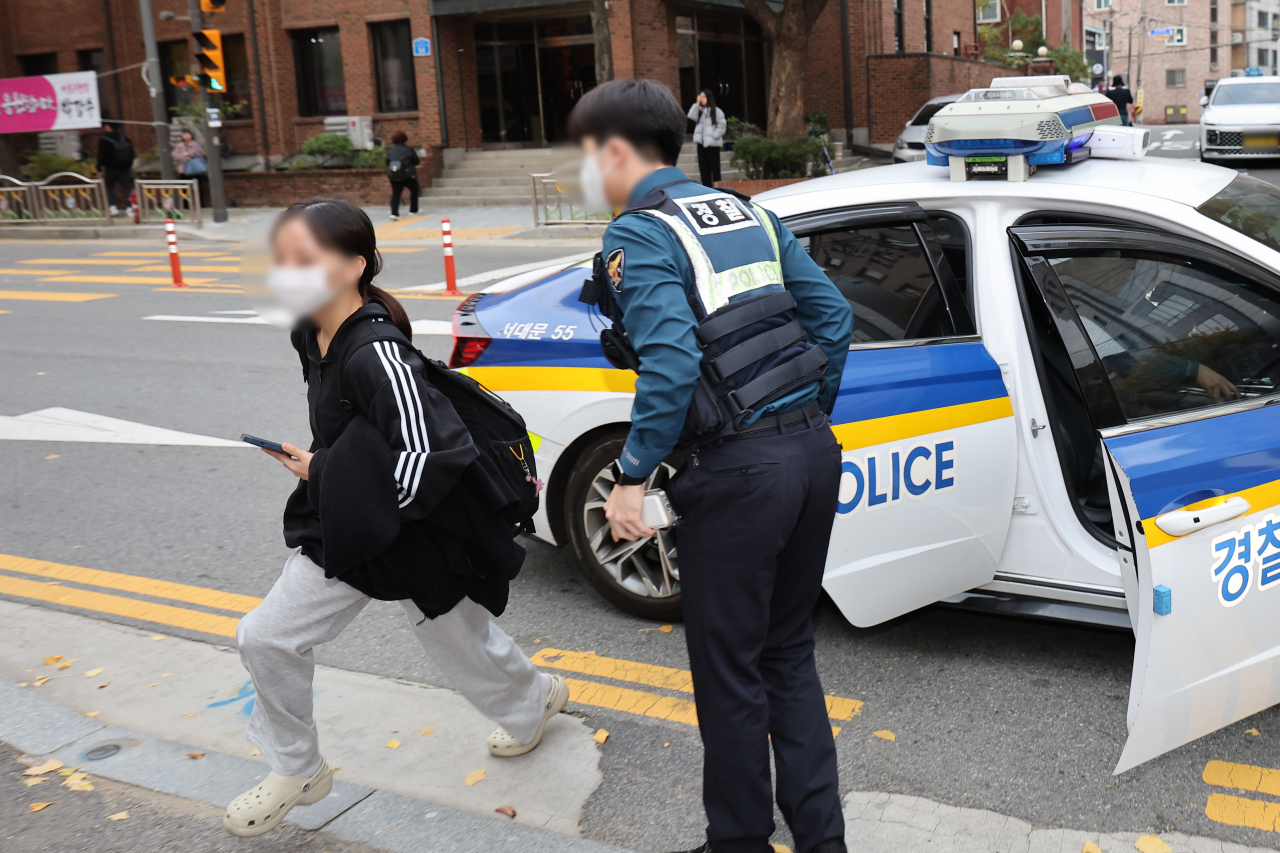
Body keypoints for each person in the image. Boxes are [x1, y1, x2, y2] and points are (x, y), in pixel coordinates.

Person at [223, 198, 568, 838]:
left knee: (456, 636)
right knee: (265, 636)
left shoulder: (375, 351)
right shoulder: (309, 329)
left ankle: (534, 700)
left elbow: (432, 449)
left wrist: (359, 498)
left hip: (411, 522)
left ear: (353, 266)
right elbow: (359, 430)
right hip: (353, 515)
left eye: (306, 258)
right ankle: (297, 768)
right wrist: (324, 465)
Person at [570, 80, 853, 853]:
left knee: (730, 677)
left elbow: (668, 362)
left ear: (618, 152)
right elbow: (833, 317)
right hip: (811, 456)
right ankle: (822, 842)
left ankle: (738, 843)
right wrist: (794, 411)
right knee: (788, 656)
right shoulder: (748, 211)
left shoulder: (639, 234)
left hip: (738, 477)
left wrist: (631, 476)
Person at [687, 89, 726, 187]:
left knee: (715, 168)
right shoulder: (699, 111)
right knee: (703, 168)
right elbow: (690, 116)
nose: (702, 99)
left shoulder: (717, 111)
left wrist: (714, 136)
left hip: (712, 144)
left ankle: (717, 187)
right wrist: (697, 103)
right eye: (701, 96)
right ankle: (707, 186)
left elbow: (722, 126)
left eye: (704, 97)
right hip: (701, 144)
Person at [96, 121, 135, 216]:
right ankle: (131, 208)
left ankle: (113, 207)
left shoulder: (104, 139)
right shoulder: (125, 138)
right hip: (125, 167)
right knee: (127, 187)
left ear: (108, 127)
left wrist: (99, 168)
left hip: (111, 168)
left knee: (108, 187)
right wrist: (128, 166)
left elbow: (101, 155)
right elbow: (132, 154)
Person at [386, 131, 420, 220]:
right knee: (414, 190)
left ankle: (394, 213)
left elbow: (387, 162)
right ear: (405, 139)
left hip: (395, 174)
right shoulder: (409, 149)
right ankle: (413, 210)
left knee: (396, 194)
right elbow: (416, 161)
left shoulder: (390, 151)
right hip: (408, 175)